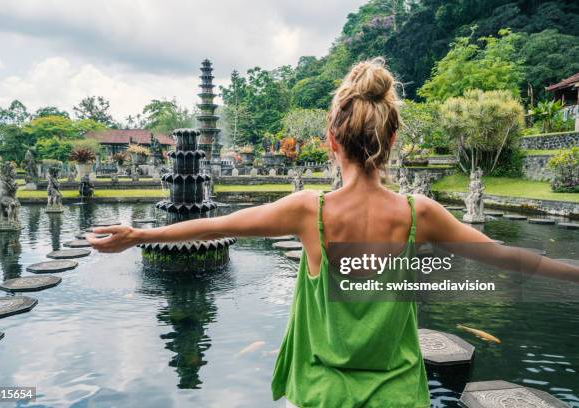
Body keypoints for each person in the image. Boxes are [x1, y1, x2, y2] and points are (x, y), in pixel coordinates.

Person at [87, 58, 579, 407]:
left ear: (329, 140)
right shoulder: (418, 214)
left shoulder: (310, 211)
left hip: (321, 394)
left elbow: (214, 223)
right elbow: (509, 258)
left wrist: (138, 235)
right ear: (391, 139)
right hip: (398, 396)